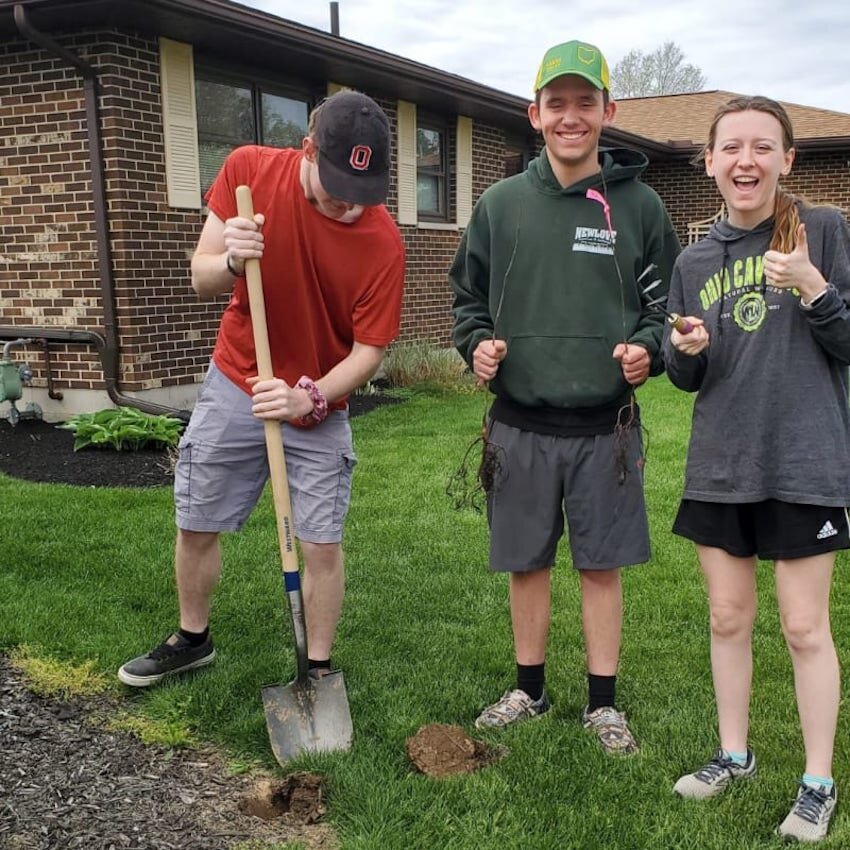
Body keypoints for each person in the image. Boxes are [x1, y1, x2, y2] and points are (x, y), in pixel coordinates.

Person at [118, 91, 405, 688]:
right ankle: (192, 639)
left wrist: (312, 398)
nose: (350, 207)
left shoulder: (383, 244)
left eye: (363, 195)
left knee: (321, 543)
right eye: (336, 190)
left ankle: (317, 668)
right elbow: (201, 274)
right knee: (196, 519)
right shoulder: (248, 171)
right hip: (236, 382)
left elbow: (368, 353)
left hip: (318, 400)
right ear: (307, 150)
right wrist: (230, 259)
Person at [449, 40, 680, 754]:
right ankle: (530, 687)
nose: (571, 117)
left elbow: (665, 307)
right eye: (558, 103)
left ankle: (602, 704)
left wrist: (650, 350)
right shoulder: (500, 205)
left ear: (609, 111)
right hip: (518, 421)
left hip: (604, 426)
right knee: (527, 558)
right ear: (535, 113)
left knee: (600, 563)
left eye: (586, 103)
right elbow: (466, 300)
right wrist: (477, 345)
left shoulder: (640, 207)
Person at [664, 96, 850, 842]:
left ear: (787, 160)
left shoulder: (828, 232)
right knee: (727, 617)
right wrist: (686, 352)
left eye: (762, 147)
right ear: (708, 162)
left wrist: (812, 285)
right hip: (722, 461)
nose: (747, 160)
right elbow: (685, 377)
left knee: (806, 628)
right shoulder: (692, 259)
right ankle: (733, 754)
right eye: (731, 148)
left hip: (805, 458)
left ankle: (817, 781)